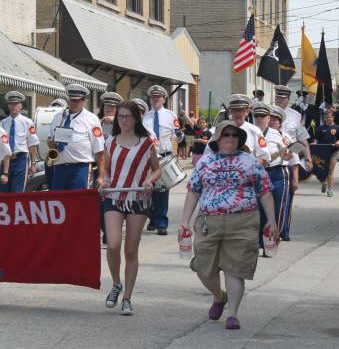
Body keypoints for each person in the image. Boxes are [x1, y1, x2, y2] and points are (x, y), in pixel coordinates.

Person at [179, 120, 276, 330]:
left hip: (243, 220)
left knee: (235, 269)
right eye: (226, 134)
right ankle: (218, 296)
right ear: (217, 139)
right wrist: (185, 221)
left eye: (234, 135)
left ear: (239, 139)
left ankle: (233, 314)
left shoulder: (251, 162)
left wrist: (272, 220)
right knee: (204, 268)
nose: (231, 138)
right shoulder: (205, 162)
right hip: (208, 221)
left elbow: (265, 192)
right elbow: (193, 191)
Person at [102, 101, 162, 316]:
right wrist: (103, 182)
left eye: (127, 116)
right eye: (120, 117)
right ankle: (116, 284)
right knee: (113, 244)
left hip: (137, 198)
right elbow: (105, 170)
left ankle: (127, 297)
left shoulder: (146, 143)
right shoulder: (110, 141)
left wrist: (149, 181)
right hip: (115, 198)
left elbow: (157, 170)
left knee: (131, 250)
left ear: (136, 118)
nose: (123, 120)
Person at [252, 103, 296, 256]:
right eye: (256, 116)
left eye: (262, 116)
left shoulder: (277, 135)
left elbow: (288, 151)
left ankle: (270, 242)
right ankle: (257, 243)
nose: (259, 119)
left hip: (276, 173)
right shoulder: (248, 132)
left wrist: (286, 156)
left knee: (276, 209)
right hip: (256, 175)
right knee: (256, 210)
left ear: (268, 118)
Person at [47, 84, 105, 191]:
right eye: (71, 100)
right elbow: (49, 138)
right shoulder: (58, 116)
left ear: (84, 101)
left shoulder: (92, 119)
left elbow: (99, 149)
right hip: (60, 167)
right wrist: (51, 142)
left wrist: (101, 176)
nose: (74, 103)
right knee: (59, 202)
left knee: (79, 202)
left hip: (80, 167)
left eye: (77, 100)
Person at [273, 85, 312, 241]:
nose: (279, 100)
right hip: (272, 161)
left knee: (287, 198)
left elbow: (303, 139)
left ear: (288, 99)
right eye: (278, 97)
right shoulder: (268, 112)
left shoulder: (295, 115)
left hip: (291, 161)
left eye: (283, 98)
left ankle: (284, 230)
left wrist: (308, 158)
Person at [143, 85, 180, 235]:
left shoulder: (171, 116)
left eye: (158, 97)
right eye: (153, 97)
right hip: (148, 157)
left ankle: (162, 223)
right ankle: (152, 218)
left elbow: (177, 136)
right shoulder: (145, 116)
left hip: (164, 155)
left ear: (164, 99)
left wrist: (175, 155)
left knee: (163, 190)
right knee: (150, 190)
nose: (155, 99)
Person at [97, 92, 124, 245]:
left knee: (113, 201)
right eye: (107, 106)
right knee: (100, 202)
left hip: (116, 167)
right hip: (99, 165)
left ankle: (111, 232)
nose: (109, 109)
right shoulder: (95, 121)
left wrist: (114, 120)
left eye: (113, 107)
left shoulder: (122, 122)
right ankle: (105, 230)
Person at [0, 91, 39, 193]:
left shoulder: (28, 122)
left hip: (20, 159)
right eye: (11, 104)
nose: (13, 106)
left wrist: (33, 163)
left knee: (17, 191)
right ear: (8, 105)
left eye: (16, 104)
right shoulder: (2, 123)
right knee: (4, 191)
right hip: (6, 160)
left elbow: (32, 144)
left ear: (21, 105)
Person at [314, 109, 339, 197]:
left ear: (333, 118)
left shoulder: (337, 127)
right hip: (322, 152)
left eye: (330, 117)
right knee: (319, 171)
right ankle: (323, 182)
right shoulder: (320, 128)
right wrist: (315, 143)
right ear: (324, 118)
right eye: (326, 117)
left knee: (330, 171)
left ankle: (330, 189)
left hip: (333, 152)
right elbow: (316, 139)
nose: (328, 119)